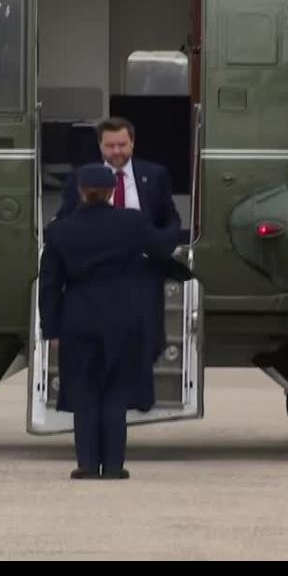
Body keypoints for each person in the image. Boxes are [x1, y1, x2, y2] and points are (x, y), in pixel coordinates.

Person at [39, 165, 191, 480]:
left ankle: (86, 464)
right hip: (124, 316)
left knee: (84, 391)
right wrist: (175, 231)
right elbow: (161, 247)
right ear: (111, 192)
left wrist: (51, 328)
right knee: (116, 392)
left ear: (81, 191)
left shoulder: (60, 231)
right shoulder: (131, 223)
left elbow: (50, 284)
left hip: (78, 315)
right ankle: (113, 465)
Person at [55, 117, 185, 364]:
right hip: (95, 278)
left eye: (122, 144)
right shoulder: (80, 178)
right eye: (110, 145)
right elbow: (65, 221)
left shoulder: (154, 175)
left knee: (145, 344)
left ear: (132, 144)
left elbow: (171, 221)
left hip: (141, 275)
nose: (117, 151)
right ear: (100, 146)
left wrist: (160, 248)